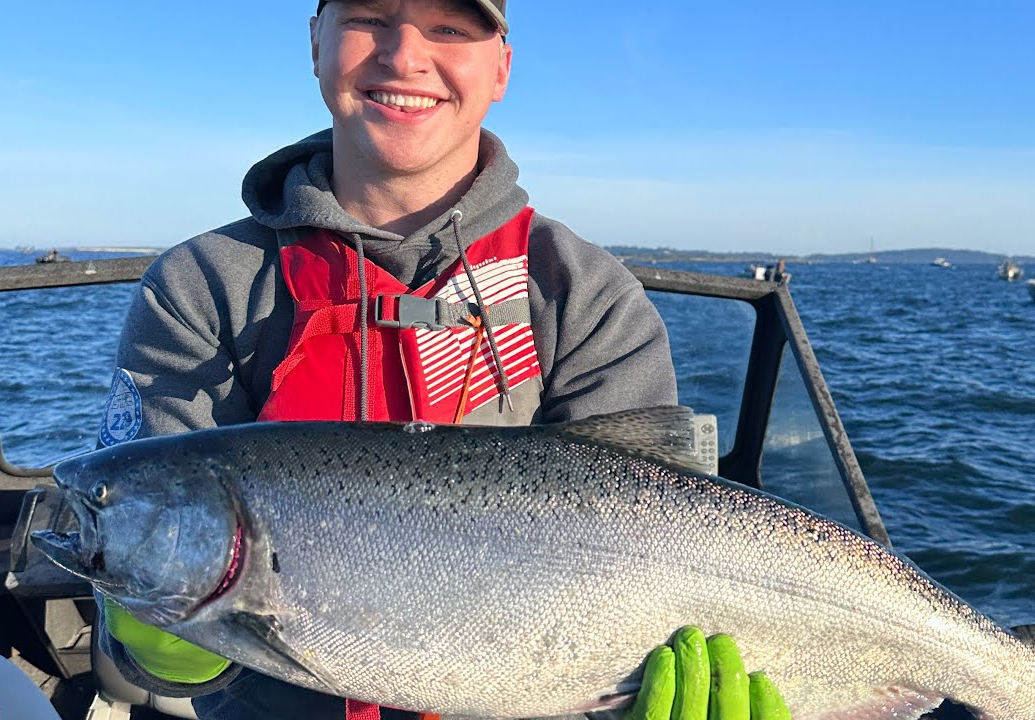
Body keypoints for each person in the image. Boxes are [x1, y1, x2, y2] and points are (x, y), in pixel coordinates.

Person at [93, 3, 786, 720]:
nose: (404, 56)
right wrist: (164, 636)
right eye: (370, 17)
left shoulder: (585, 295)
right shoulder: (202, 285)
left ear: (501, 68)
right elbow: (160, 616)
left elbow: (660, 505)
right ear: (316, 41)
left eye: (450, 28)